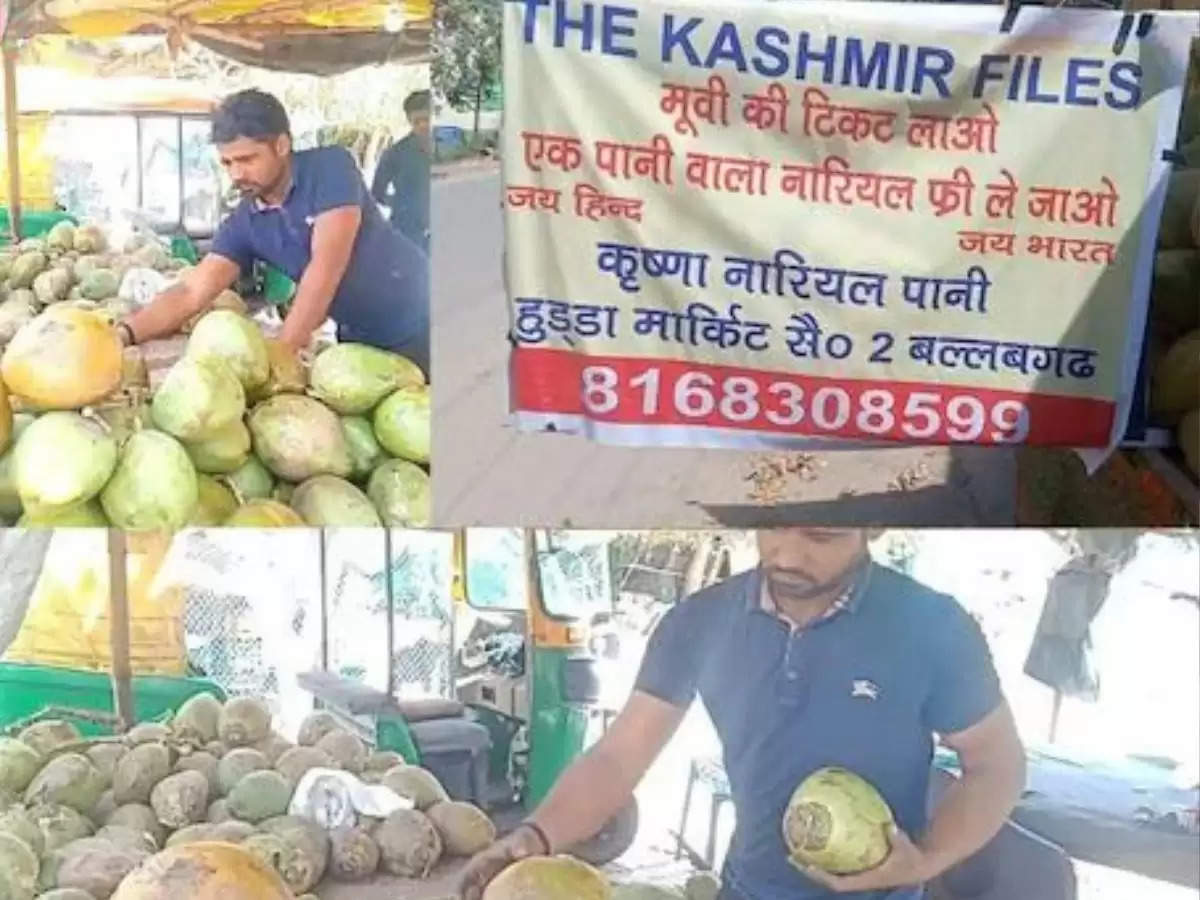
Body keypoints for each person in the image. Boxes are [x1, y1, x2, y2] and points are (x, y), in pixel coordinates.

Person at [457, 528, 1027, 900]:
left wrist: (923, 862)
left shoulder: (932, 628)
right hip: (749, 887)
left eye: (821, 534)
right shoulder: (698, 622)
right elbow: (618, 756)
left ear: (872, 525)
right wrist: (535, 836)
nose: (788, 555)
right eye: (774, 524)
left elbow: (996, 765)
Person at [118, 89, 430, 376]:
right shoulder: (244, 222)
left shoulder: (330, 167)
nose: (237, 174)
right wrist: (125, 333)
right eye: (227, 163)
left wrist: (280, 355)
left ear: (282, 145)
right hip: (357, 334)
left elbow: (326, 265)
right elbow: (190, 292)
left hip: (422, 315)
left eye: (247, 159)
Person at [371, 90, 431, 252]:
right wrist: (401, 204)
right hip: (407, 234)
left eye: (427, 119)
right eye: (416, 121)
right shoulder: (395, 154)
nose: (422, 125)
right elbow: (376, 193)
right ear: (409, 121)